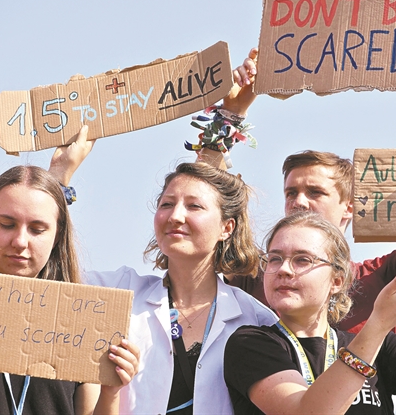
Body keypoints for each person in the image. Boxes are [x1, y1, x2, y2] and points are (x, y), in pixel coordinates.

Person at [220, 39, 396, 333]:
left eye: (315, 192)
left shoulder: (380, 278)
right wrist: (231, 113)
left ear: (350, 206)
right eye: (291, 193)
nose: (299, 201)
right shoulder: (258, 275)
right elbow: (200, 211)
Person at [224, 204, 396, 414]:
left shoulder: (378, 347)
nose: (283, 269)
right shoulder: (251, 343)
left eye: (302, 259)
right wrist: (376, 326)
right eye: (274, 259)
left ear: (337, 280)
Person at [81, 162, 278, 414]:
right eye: (166, 204)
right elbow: (47, 281)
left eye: (194, 206)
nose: (175, 216)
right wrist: (61, 177)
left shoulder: (257, 320)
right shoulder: (118, 292)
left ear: (226, 228)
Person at [0, 165, 139, 415]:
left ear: (57, 236)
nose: (20, 242)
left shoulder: (83, 323)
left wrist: (112, 390)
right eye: (7, 224)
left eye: (37, 229)